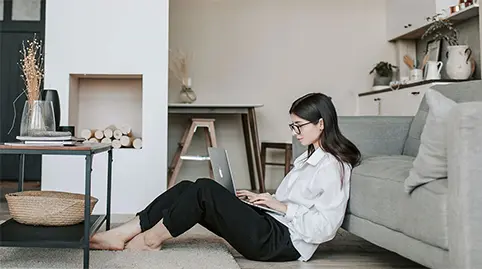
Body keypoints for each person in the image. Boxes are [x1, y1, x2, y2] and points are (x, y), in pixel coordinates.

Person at [90, 92, 362, 262]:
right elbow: (293, 204)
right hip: (272, 225)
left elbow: (325, 228)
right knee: (189, 186)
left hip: (282, 244)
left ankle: (150, 240)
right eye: (292, 125)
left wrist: (281, 206)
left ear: (321, 124)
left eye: (298, 125)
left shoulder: (333, 167)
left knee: (204, 190)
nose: (294, 132)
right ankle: (126, 230)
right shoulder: (308, 158)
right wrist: (264, 199)